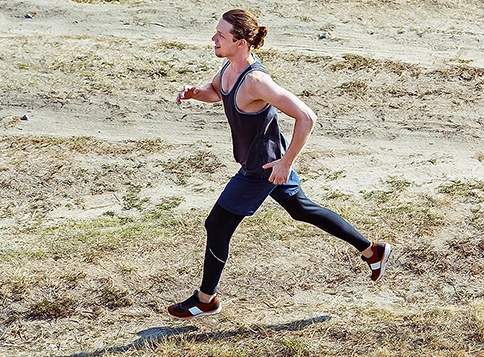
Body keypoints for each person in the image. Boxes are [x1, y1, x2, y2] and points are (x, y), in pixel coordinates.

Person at [167, 9, 391, 320]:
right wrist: (196, 94)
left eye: (220, 35)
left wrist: (286, 162)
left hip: (261, 168)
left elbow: (306, 117)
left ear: (242, 42)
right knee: (301, 209)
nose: (213, 38)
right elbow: (217, 92)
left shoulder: (256, 81)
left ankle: (206, 300)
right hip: (265, 160)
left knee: (216, 225)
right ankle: (372, 250)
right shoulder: (229, 67)